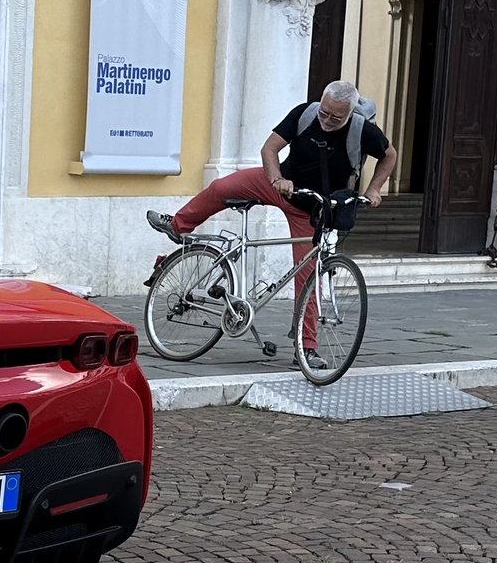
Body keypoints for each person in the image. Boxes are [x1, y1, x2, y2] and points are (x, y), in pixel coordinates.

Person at [145, 80, 397, 357]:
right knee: (220, 188)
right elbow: (270, 148)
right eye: (324, 112)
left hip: (309, 209)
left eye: (335, 116)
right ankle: (177, 225)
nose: (326, 120)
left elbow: (389, 155)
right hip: (279, 184)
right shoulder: (305, 113)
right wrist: (277, 177)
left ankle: (307, 347)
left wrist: (374, 188)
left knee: (308, 278)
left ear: (350, 113)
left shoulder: (363, 131)